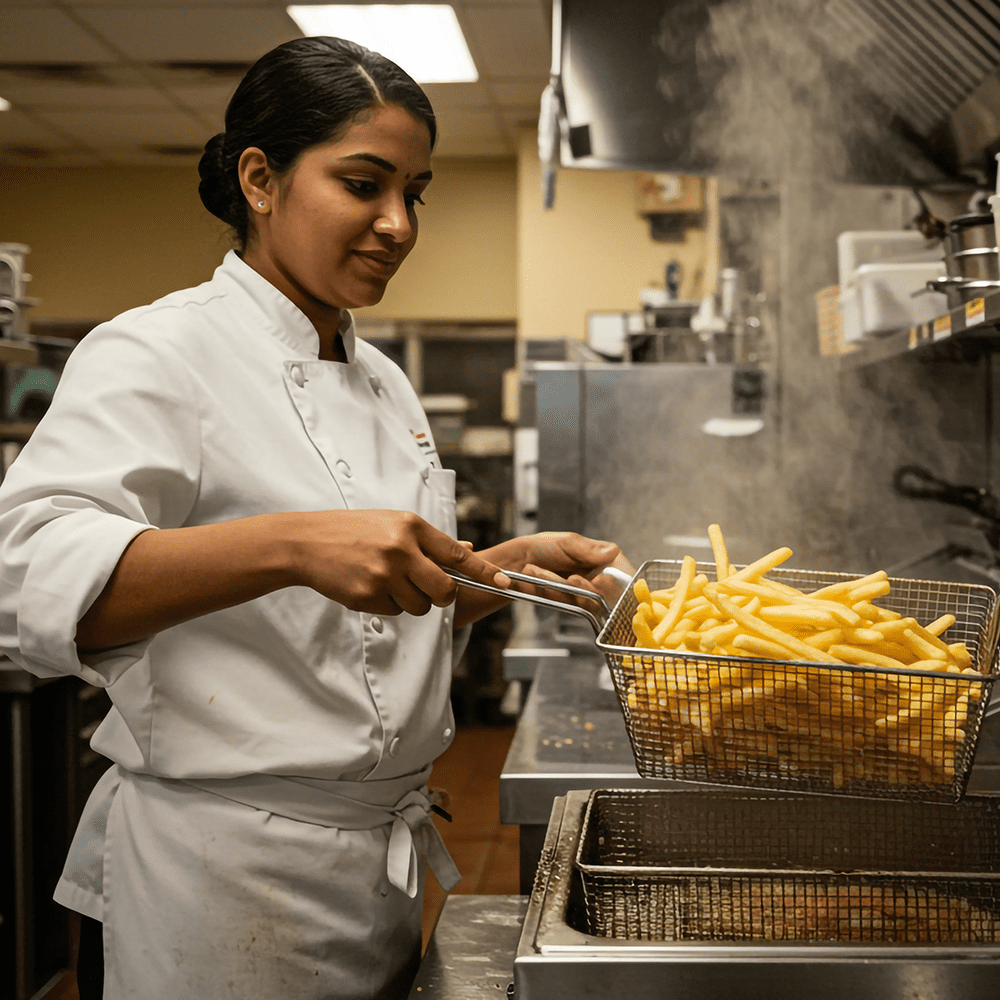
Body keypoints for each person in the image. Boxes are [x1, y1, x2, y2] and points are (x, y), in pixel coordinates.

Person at [0, 36, 626, 1000]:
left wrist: (497, 569)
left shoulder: (384, 385)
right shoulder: (157, 352)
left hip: (374, 866)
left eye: (413, 192)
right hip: (216, 880)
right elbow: (24, 579)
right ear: (260, 178)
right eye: (364, 184)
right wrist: (292, 546)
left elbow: (356, 628)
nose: (398, 223)